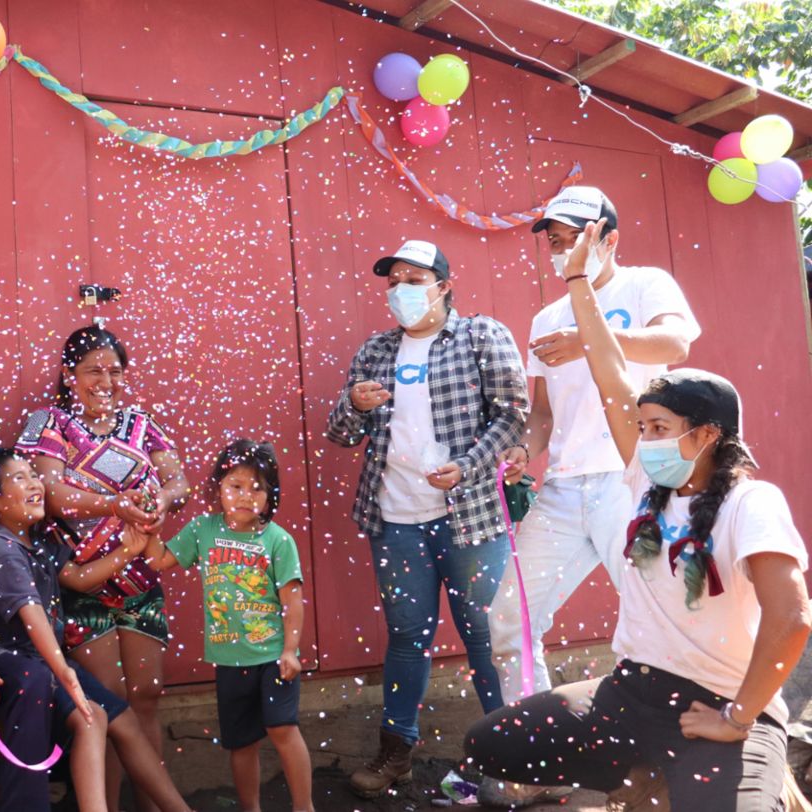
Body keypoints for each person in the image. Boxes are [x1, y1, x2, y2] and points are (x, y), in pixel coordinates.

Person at [465, 218, 811, 811]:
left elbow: (793, 619)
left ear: (706, 435)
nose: (642, 438)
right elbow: (609, 375)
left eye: (658, 429)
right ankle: (638, 778)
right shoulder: (647, 483)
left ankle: (756, 776)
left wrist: (739, 714)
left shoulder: (751, 503)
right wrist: (576, 278)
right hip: (635, 696)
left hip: (717, 705)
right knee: (489, 744)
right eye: (641, 426)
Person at [325, 240, 528, 798]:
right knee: (407, 636)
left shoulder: (482, 336)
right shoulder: (375, 351)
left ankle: (509, 758)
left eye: (414, 279)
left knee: (485, 635)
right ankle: (397, 755)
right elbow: (340, 434)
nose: (400, 290)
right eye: (393, 281)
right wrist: (355, 406)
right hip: (396, 520)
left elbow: (514, 417)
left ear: (442, 284)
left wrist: (466, 467)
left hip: (470, 518)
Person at [491, 186, 701, 703]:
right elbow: (543, 415)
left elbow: (676, 342)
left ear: (609, 240)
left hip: (632, 481)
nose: (563, 250)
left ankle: (665, 744)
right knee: (508, 620)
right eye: (555, 241)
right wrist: (524, 450)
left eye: (574, 239)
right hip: (563, 488)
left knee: (657, 619)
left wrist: (591, 338)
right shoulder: (546, 319)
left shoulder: (646, 284)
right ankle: (532, 747)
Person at [16, 325, 190, 808]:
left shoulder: (141, 424)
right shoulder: (48, 424)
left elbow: (179, 481)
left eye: (115, 370)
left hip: (139, 579)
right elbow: (52, 493)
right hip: (80, 582)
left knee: (148, 695)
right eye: (93, 370)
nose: (105, 380)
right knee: (109, 704)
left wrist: (161, 499)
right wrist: (116, 504)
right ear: (70, 375)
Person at [0, 449, 191, 812]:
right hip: (19, 664)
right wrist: (65, 672)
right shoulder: (2, 551)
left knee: (121, 719)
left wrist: (127, 550)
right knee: (94, 716)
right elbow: (34, 617)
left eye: (33, 474)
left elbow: (79, 578)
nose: (34, 483)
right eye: (19, 478)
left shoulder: (35, 541)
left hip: (47, 662)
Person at [141, 439, 313, 812]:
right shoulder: (203, 529)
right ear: (218, 487)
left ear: (271, 494)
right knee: (240, 741)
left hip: (272, 657)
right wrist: (149, 523)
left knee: (283, 728)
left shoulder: (277, 541)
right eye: (235, 486)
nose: (245, 496)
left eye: (257, 488)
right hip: (230, 660)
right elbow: (157, 561)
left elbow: (292, 601)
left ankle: (304, 806)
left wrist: (290, 649)